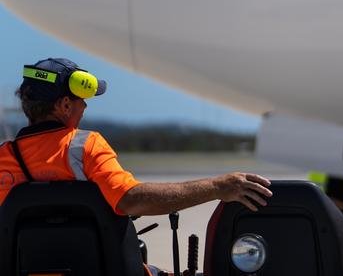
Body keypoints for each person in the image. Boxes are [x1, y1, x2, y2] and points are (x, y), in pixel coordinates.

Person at [0, 58, 272, 218]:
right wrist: (217, 186)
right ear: (65, 106)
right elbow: (131, 199)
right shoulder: (84, 146)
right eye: (80, 100)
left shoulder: (4, 157)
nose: (85, 106)